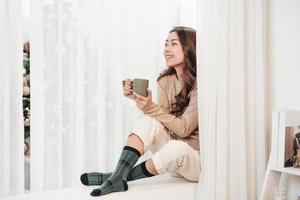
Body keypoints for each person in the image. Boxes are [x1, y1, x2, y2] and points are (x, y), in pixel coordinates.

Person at [80, 26, 200, 196]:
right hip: (169, 158)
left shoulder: (200, 83)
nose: (166, 49)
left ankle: (116, 176)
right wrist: (139, 99)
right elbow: (164, 120)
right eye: (166, 44)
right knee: (150, 120)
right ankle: (117, 177)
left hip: (192, 160)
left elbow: (184, 128)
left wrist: (151, 108)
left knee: (176, 147)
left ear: (189, 48)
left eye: (173, 44)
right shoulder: (165, 80)